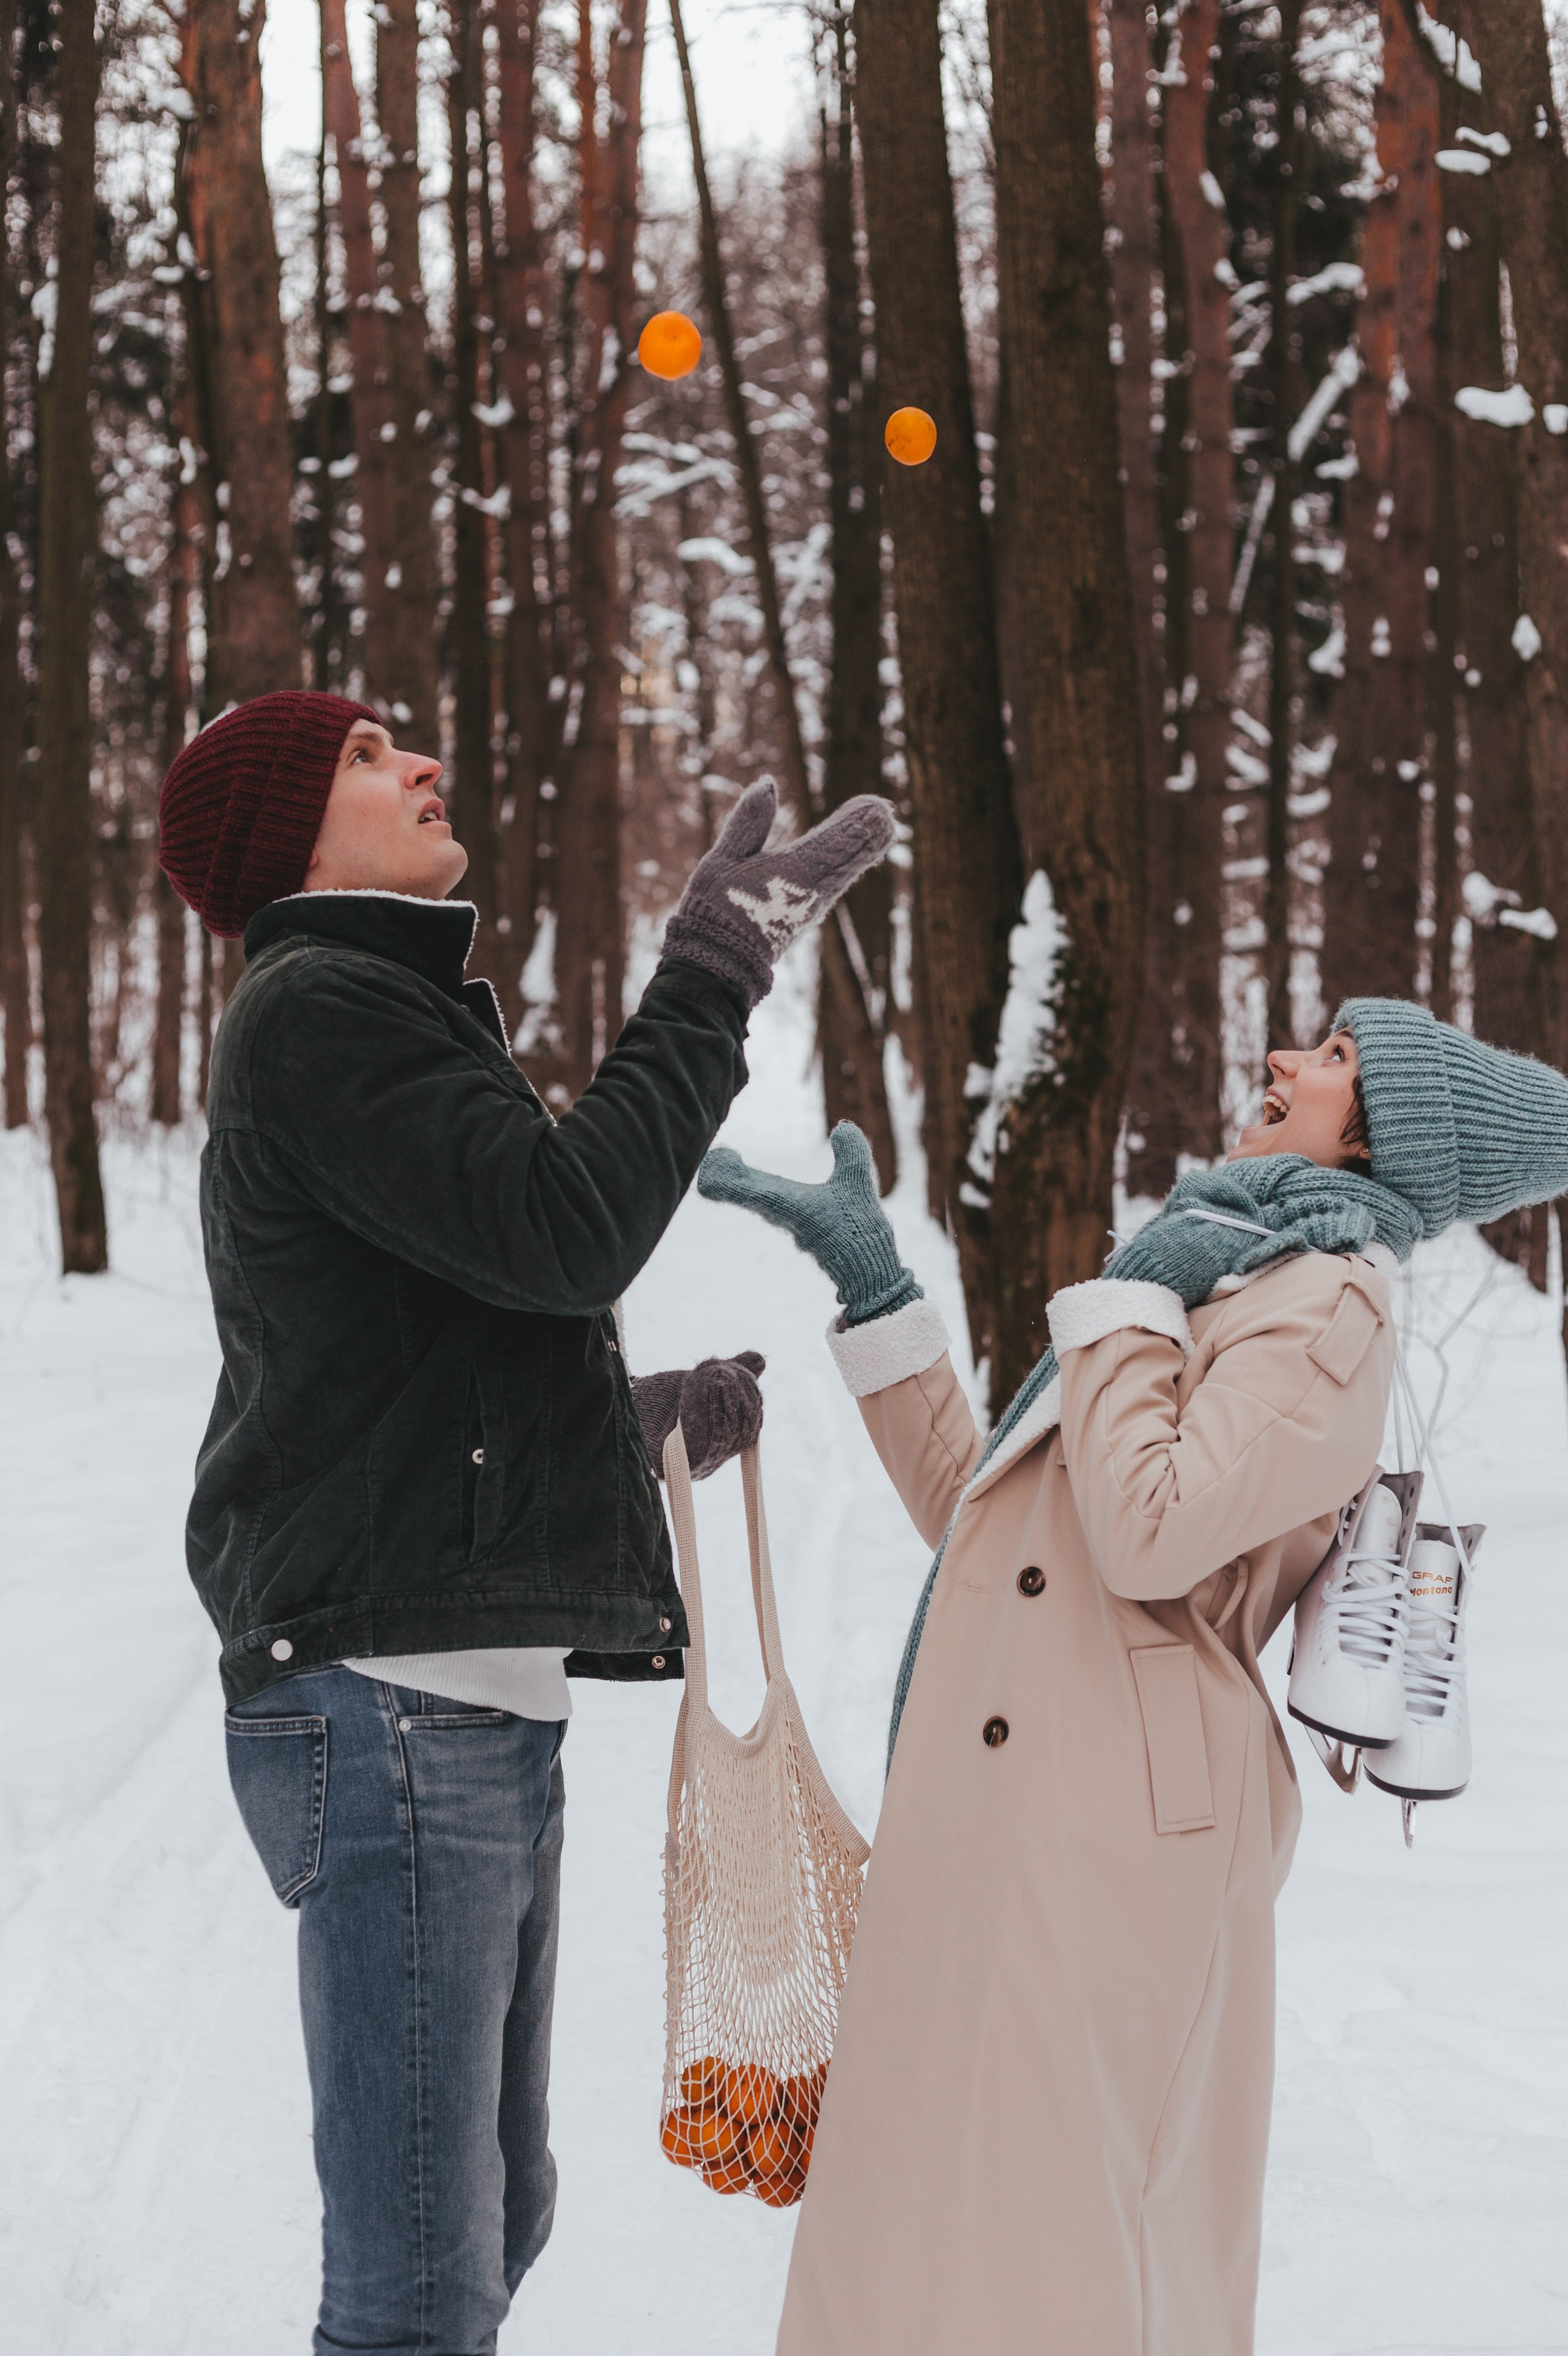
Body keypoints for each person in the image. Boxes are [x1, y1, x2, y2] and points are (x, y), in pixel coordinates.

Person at [155, 687, 894, 2355]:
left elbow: (415, 1357)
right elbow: (566, 1232)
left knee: (498, 2219)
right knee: (421, 2293)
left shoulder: (370, 1011)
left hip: (454, 1707)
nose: (421, 760)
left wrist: (625, 1425)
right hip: (394, 1712)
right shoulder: (323, 1008)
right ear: (286, 835)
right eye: (362, 758)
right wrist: (711, 974)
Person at [698, 1004, 1568, 2356]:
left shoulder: (1325, 1305)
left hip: (1111, 1837)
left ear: (1385, 1135)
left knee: (1036, 2250)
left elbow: (1147, 1529)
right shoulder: (1221, 1270)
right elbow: (1004, 1538)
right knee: (918, 2232)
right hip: (1011, 1812)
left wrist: (1132, 1303)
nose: (1283, 1062)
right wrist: (877, 1294)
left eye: (1336, 1062)